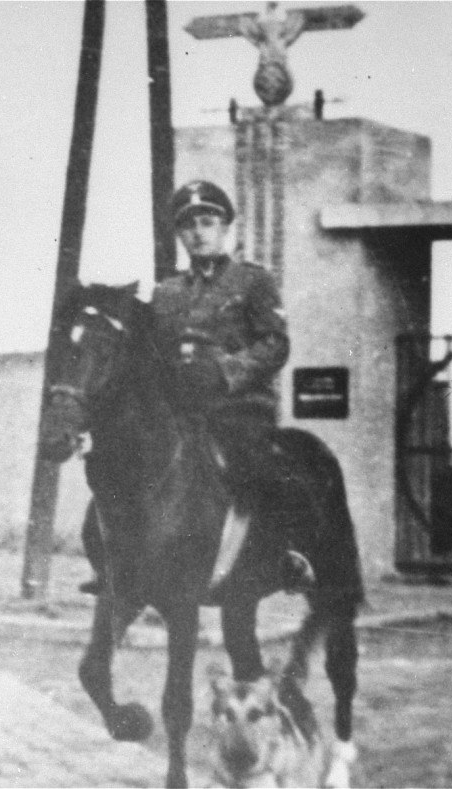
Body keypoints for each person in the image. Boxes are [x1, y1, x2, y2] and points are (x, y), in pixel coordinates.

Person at [81, 180, 314, 594]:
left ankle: (285, 557)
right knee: (124, 465)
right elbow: (149, 351)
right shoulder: (166, 291)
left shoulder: (252, 281)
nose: (198, 233)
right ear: (179, 235)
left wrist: (226, 370)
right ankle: (112, 562)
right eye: (188, 226)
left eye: (207, 222)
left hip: (239, 405)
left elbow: (275, 344)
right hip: (180, 409)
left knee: (261, 468)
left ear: (224, 228)